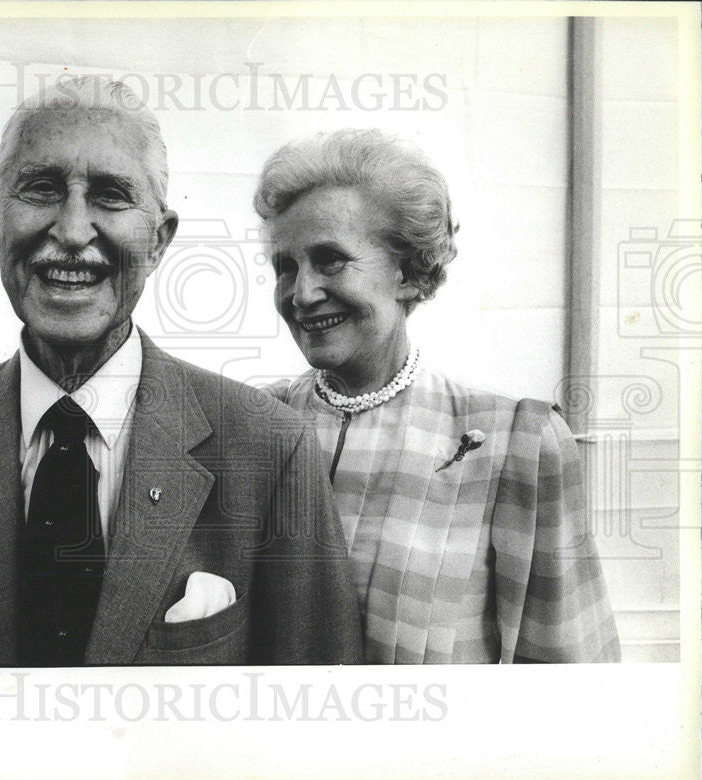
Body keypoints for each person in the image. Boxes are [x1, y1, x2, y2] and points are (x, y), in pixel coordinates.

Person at [0, 77, 361, 667]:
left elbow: (320, 722)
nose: (71, 231)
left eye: (111, 196)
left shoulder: (270, 447)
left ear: (159, 240)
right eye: (41, 189)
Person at [255, 128, 621, 663]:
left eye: (330, 259)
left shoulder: (513, 442)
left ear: (407, 273)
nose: (301, 293)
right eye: (285, 266)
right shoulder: (252, 424)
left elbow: (567, 673)